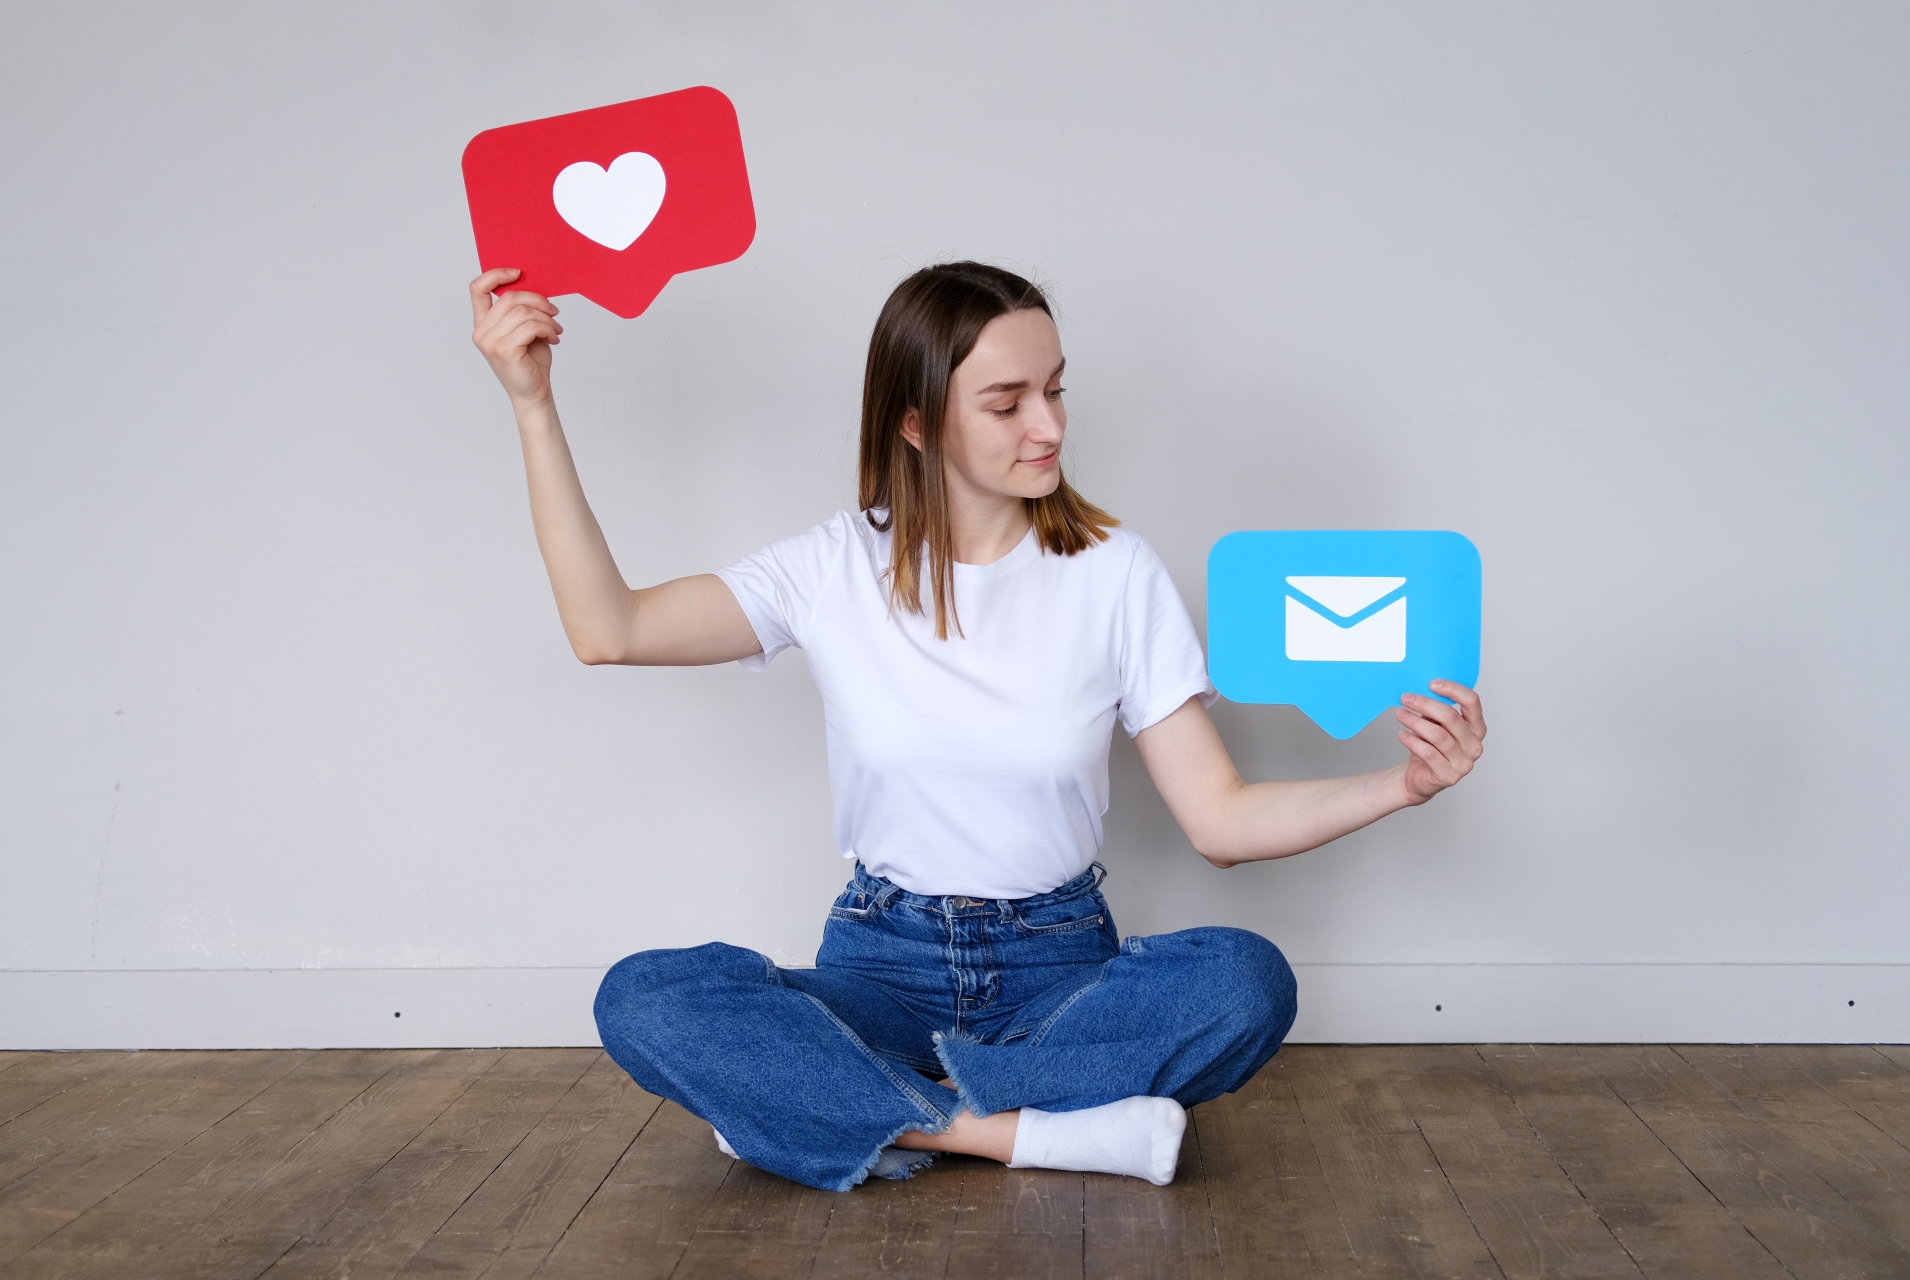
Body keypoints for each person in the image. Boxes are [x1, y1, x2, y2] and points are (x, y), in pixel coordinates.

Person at [468, 260, 1486, 1192]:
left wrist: (1402, 784)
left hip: (1060, 971)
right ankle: (1024, 1132)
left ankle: (836, 1110)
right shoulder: (831, 568)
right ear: (916, 423)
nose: (1047, 424)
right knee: (645, 994)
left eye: (1055, 389)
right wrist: (532, 406)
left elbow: (1219, 822)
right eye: (1006, 402)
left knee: (1245, 979)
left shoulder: (1114, 573)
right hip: (878, 969)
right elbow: (610, 627)